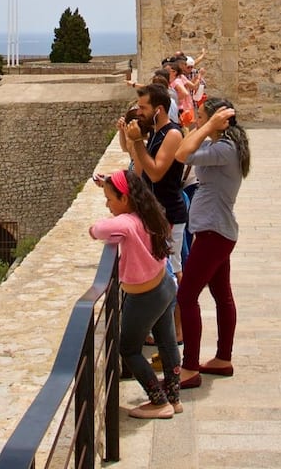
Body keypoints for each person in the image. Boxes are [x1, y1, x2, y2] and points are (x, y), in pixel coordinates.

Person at [153, 98, 250, 389]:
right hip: (214, 230)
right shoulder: (220, 146)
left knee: (186, 296)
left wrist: (207, 125)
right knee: (222, 295)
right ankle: (223, 358)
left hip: (213, 231)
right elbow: (190, 147)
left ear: (219, 121)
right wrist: (206, 126)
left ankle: (190, 367)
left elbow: (182, 153)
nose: (196, 120)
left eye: (202, 116)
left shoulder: (224, 149)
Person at [89, 169, 182, 419]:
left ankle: (158, 401)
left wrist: (93, 227)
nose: (107, 204)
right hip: (164, 285)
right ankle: (174, 397)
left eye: (110, 200)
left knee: (128, 348)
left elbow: (97, 230)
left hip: (145, 297)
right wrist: (108, 185)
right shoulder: (148, 214)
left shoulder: (127, 223)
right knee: (167, 342)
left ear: (125, 199)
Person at [117, 84, 191, 273]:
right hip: (157, 213)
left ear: (158, 110)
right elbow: (141, 173)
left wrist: (137, 143)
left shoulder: (172, 134)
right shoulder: (156, 133)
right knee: (160, 270)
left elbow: (156, 174)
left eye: (143, 108)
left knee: (173, 270)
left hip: (170, 214)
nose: (139, 112)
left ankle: (180, 303)